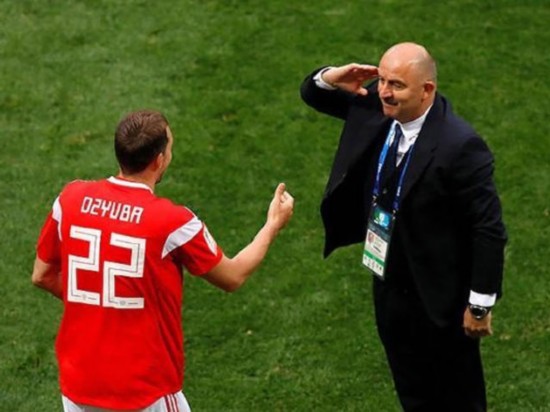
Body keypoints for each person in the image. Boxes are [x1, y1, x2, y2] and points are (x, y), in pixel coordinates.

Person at [31, 110, 294, 412]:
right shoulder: (171, 221)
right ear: (159, 160)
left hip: (80, 387)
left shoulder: (70, 199)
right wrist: (273, 225)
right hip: (144, 390)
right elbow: (233, 276)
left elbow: (42, 275)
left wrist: (103, 304)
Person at [300, 42, 507, 411]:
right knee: (412, 393)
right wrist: (332, 76)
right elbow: (314, 94)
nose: (384, 91)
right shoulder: (376, 109)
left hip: (441, 298)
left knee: (458, 400)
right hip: (390, 285)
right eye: (382, 80)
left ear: (426, 90)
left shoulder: (460, 145)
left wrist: (479, 305)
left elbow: (487, 227)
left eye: (396, 84)